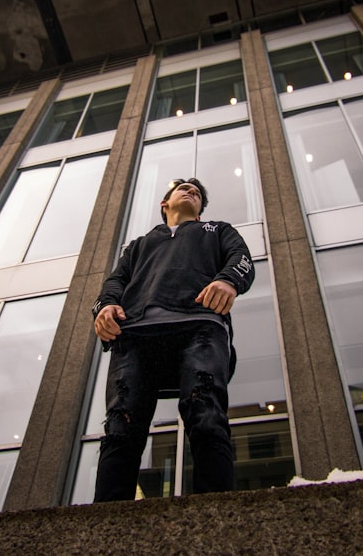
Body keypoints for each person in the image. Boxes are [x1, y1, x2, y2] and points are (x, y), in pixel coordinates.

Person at [91, 177, 255, 501]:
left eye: (197, 192)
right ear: (164, 204)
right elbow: (114, 283)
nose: (192, 190)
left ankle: (219, 513)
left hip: (200, 326)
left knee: (206, 414)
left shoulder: (218, 230)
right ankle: (103, 522)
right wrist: (106, 306)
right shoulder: (138, 245)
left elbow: (241, 259)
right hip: (135, 334)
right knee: (120, 426)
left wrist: (228, 281)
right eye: (183, 188)